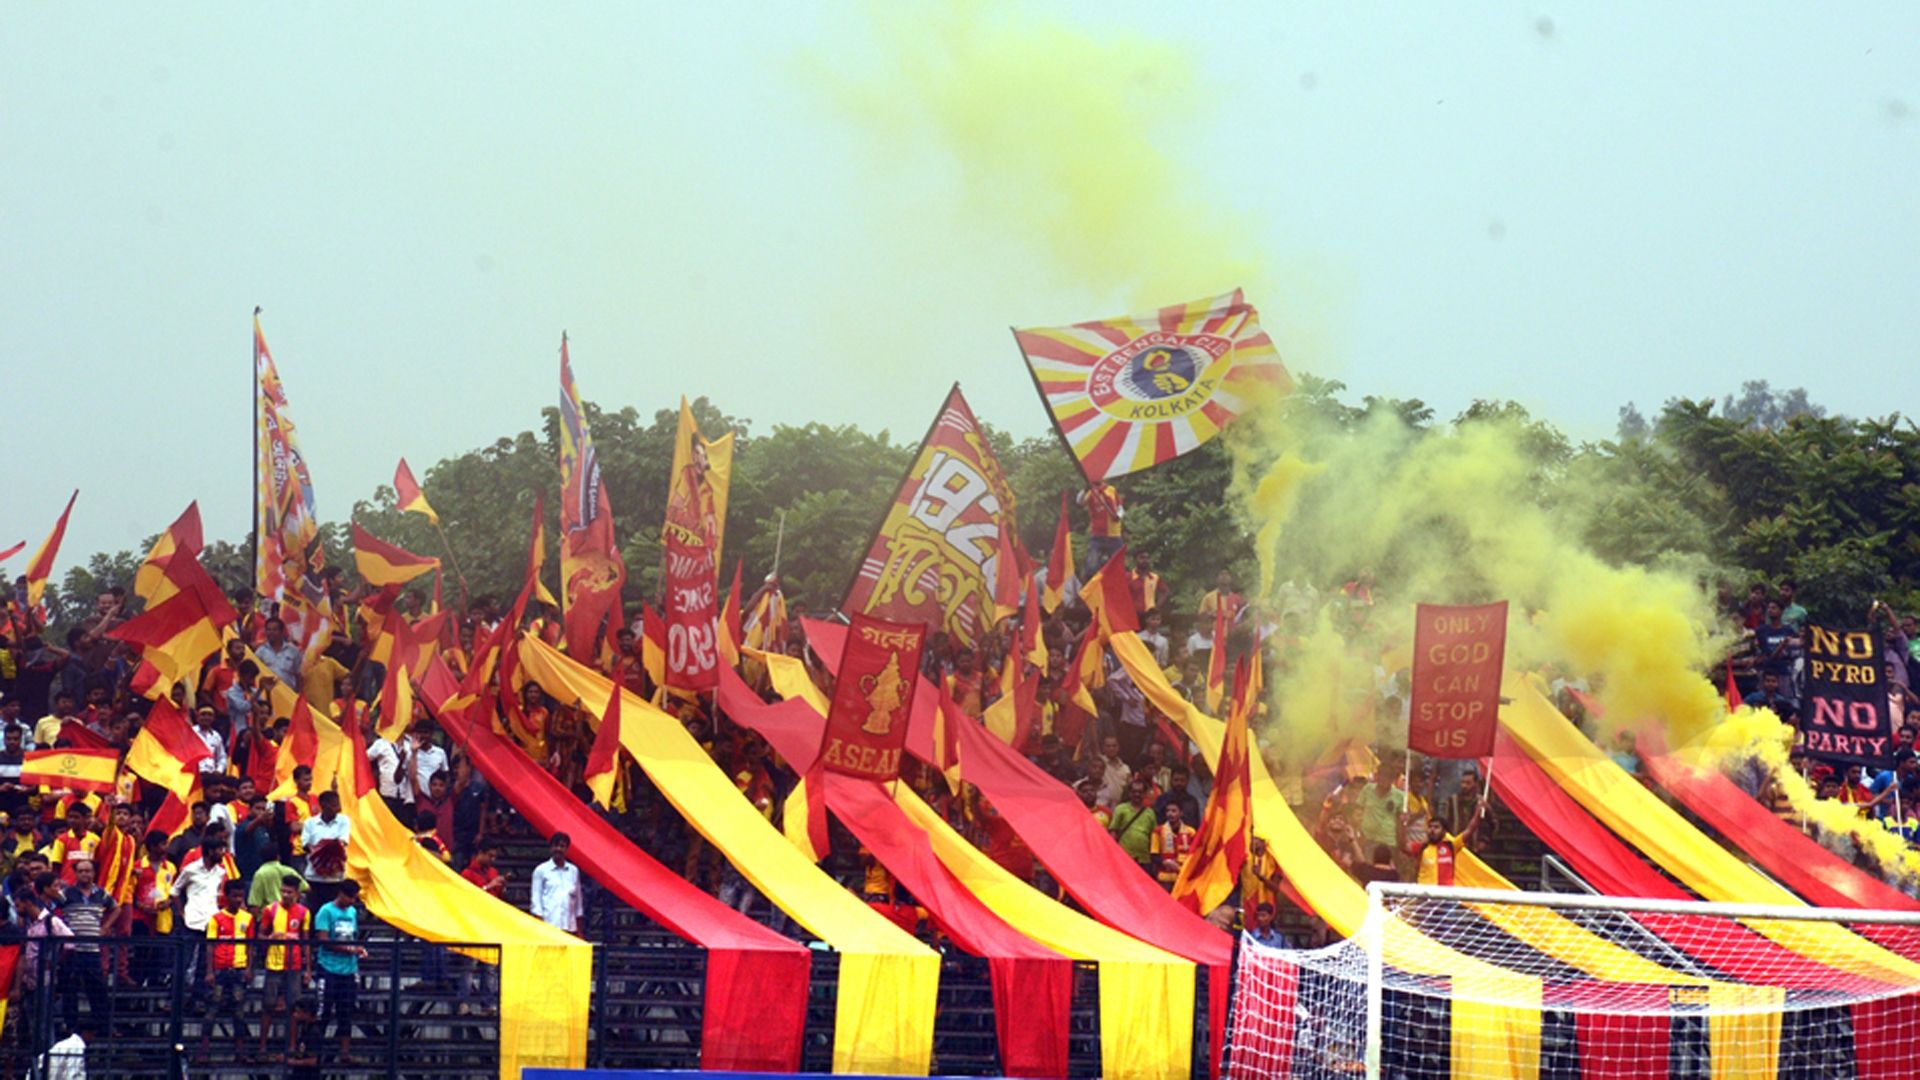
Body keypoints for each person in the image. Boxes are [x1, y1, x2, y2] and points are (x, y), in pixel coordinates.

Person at [54, 856, 113, 1030]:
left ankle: (103, 1027)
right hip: (72, 950)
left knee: (98, 990)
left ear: (94, 873)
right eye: (80, 871)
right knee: (70, 990)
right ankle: (71, 1026)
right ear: (76, 874)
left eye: (87, 871)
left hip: (92, 950)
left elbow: (116, 908)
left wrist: (106, 926)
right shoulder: (67, 894)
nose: (84, 874)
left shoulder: (101, 894)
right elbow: (54, 907)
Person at [312, 879, 366, 1063]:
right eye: (350, 897)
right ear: (341, 893)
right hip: (328, 967)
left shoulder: (352, 912)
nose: (352, 901)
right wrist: (350, 950)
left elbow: (353, 937)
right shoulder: (326, 911)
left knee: (346, 1013)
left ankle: (344, 1053)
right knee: (323, 1012)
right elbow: (324, 940)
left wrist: (358, 950)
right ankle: (315, 1051)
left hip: (348, 969)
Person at [258, 876, 311, 1059]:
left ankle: (291, 1046)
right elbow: (260, 936)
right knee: (268, 1005)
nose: (286, 895)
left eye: (289, 892)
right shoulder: (270, 910)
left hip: (294, 965)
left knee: (293, 1007)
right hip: (274, 963)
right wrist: (271, 937)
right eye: (283, 891)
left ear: (297, 893)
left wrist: (308, 969)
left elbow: (305, 941)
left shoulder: (304, 912)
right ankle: (263, 1047)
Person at [202, 879, 255, 1055]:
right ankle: (204, 1049)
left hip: (238, 968)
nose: (238, 899)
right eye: (235, 896)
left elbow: (250, 945)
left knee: (239, 1010)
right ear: (227, 897)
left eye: (241, 895)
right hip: (220, 968)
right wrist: (209, 971)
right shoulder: (216, 919)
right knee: (212, 1008)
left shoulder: (247, 918)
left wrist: (249, 968)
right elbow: (210, 945)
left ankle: (239, 1050)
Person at [172, 833, 230, 984]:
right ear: (210, 851)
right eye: (219, 850)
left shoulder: (221, 872)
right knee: (184, 960)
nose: (222, 853)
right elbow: (174, 891)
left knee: (205, 963)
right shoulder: (191, 869)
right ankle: (177, 996)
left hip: (211, 921)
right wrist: (181, 912)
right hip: (192, 920)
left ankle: (198, 998)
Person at [1408, 803, 1486, 887]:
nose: (1432, 830)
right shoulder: (1422, 847)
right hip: (1425, 895)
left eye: (1436, 827)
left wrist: (1478, 813)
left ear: (1444, 831)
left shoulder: (1451, 845)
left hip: (1447, 895)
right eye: (1430, 827)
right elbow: (1403, 846)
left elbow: (1470, 829)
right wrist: (1401, 823)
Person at [300, 792, 350, 908]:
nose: (338, 809)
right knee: (314, 910)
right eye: (334, 805)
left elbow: (342, 841)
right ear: (323, 805)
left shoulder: (344, 821)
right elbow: (305, 844)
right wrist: (319, 852)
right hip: (314, 877)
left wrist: (324, 846)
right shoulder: (310, 823)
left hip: (335, 877)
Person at [529, 832, 583, 933]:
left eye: (562, 846)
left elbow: (578, 902)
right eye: (555, 845)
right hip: (549, 926)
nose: (558, 849)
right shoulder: (541, 870)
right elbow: (536, 902)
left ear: (567, 849)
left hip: (569, 927)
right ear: (551, 848)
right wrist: (541, 927)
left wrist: (579, 930)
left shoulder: (574, 871)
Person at [1108, 779, 1158, 873]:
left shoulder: (1150, 813)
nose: (1137, 794)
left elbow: (1154, 836)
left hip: (1144, 859)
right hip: (1124, 857)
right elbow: (1113, 831)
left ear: (1145, 794)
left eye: (1140, 792)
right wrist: (1113, 853)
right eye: (1134, 792)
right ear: (1129, 793)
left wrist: (1154, 858)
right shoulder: (1120, 809)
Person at [1076, 481, 1125, 576]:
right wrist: (1085, 489)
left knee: (1118, 566)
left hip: (1114, 534)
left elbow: (1120, 507)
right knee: (1091, 566)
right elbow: (1079, 502)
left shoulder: (1111, 489)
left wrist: (1118, 516)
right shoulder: (1090, 492)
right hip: (1097, 535)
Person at [256, 617, 304, 690]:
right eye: (268, 630)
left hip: (288, 695)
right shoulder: (260, 651)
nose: (271, 632)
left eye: (275, 630)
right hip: (267, 695)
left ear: (282, 632)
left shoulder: (293, 651)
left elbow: (299, 676)